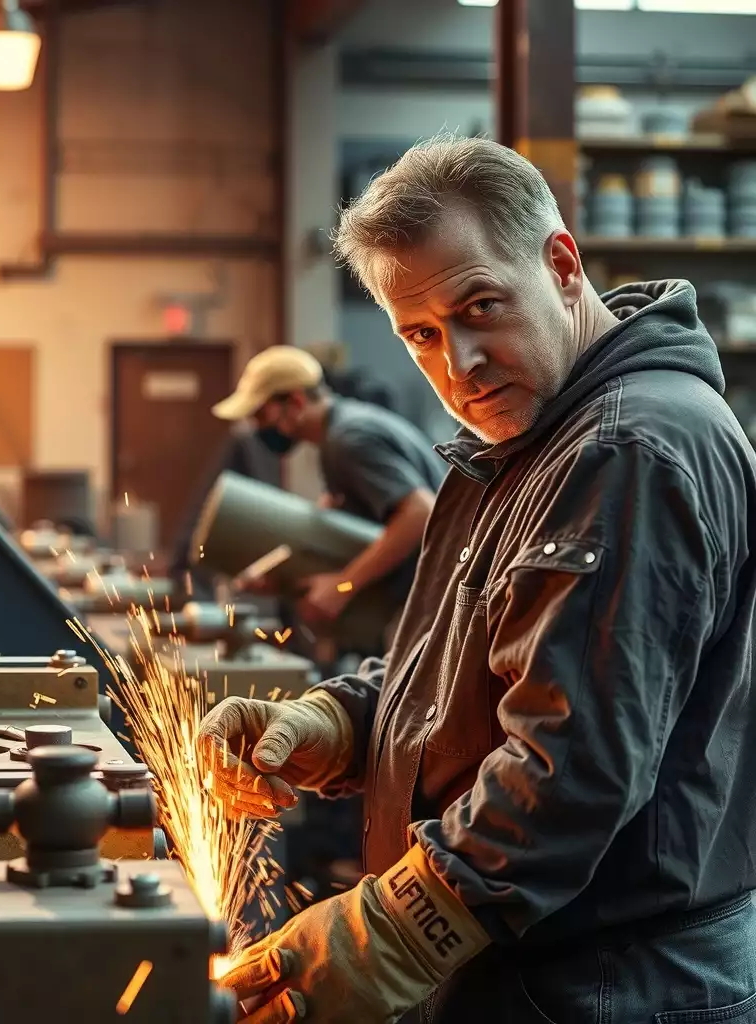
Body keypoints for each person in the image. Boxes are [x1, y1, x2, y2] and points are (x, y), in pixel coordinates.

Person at [199, 134, 756, 1024]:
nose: (458, 363)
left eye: (482, 306)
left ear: (563, 265)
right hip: (544, 968)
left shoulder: (627, 451)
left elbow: (568, 765)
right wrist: (336, 722)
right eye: (421, 334)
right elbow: (480, 668)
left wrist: (397, 929)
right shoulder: (525, 444)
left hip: (611, 984)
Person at [211, 346, 445, 627]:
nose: (257, 427)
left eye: (261, 416)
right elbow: (357, 534)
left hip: (434, 599)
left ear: (296, 402)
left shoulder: (349, 440)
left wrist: (343, 586)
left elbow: (420, 513)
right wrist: (282, 578)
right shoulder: (339, 432)